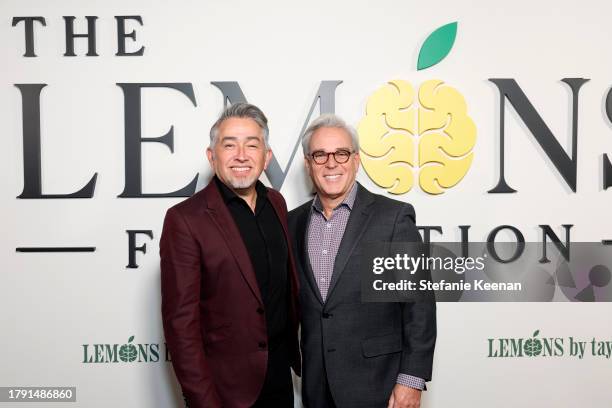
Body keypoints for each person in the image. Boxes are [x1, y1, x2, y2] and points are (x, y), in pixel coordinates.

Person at [288, 114, 436, 408]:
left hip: (377, 386)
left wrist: (411, 380)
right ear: (308, 164)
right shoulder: (293, 222)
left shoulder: (392, 217)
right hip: (317, 386)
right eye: (320, 155)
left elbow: (418, 305)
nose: (331, 163)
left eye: (341, 153)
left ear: (356, 159)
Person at [160, 103, 300, 408]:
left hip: (280, 379)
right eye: (229, 145)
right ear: (212, 156)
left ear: (267, 157)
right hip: (226, 391)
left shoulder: (276, 203)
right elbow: (180, 324)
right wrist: (204, 401)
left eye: (252, 145)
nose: (241, 155)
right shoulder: (185, 220)